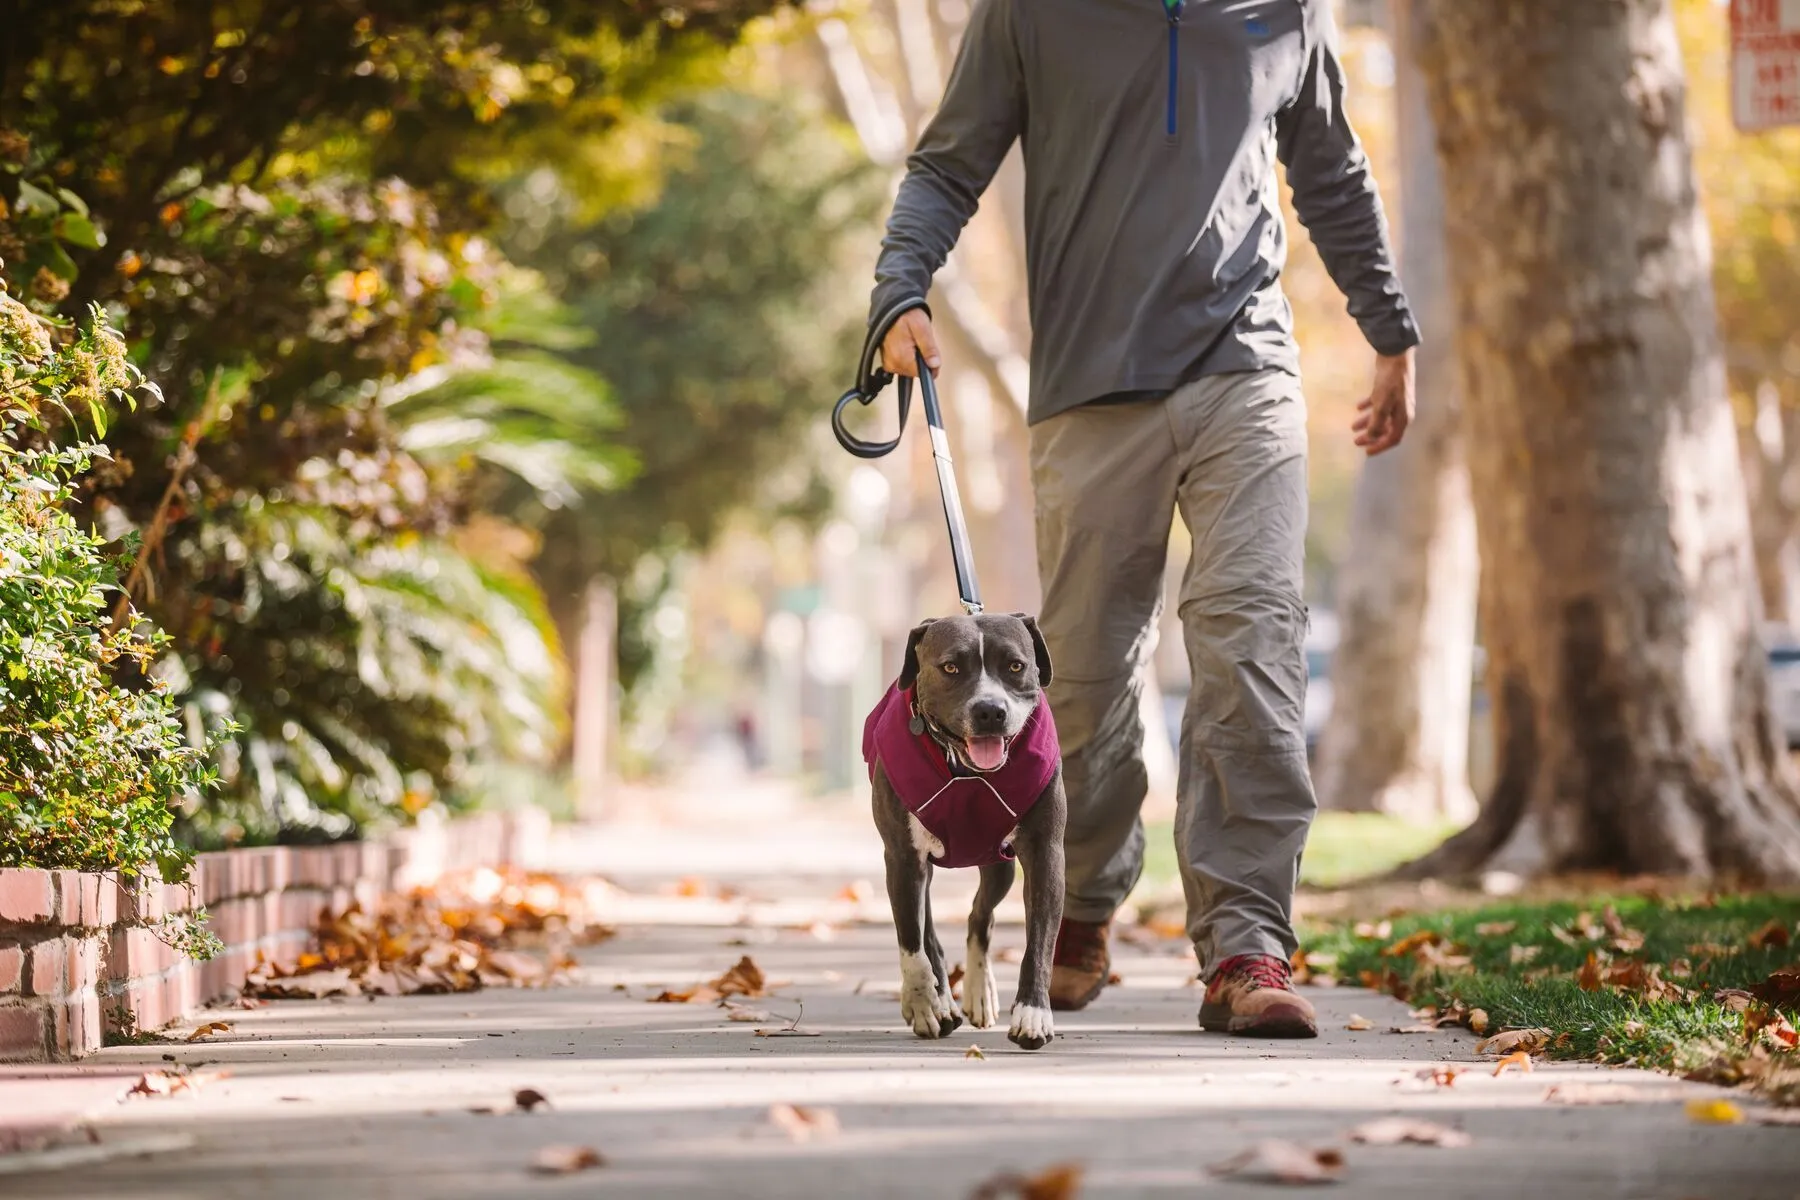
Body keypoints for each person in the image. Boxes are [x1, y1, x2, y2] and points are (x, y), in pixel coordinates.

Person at [868, 0, 1418, 1037]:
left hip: (1244, 367)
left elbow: (1332, 169)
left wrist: (1388, 329)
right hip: (1088, 385)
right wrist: (901, 289)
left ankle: (1247, 945)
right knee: (1077, 670)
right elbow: (948, 166)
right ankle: (1077, 906)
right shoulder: (1028, 15)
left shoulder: (1285, 12)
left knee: (1252, 634)